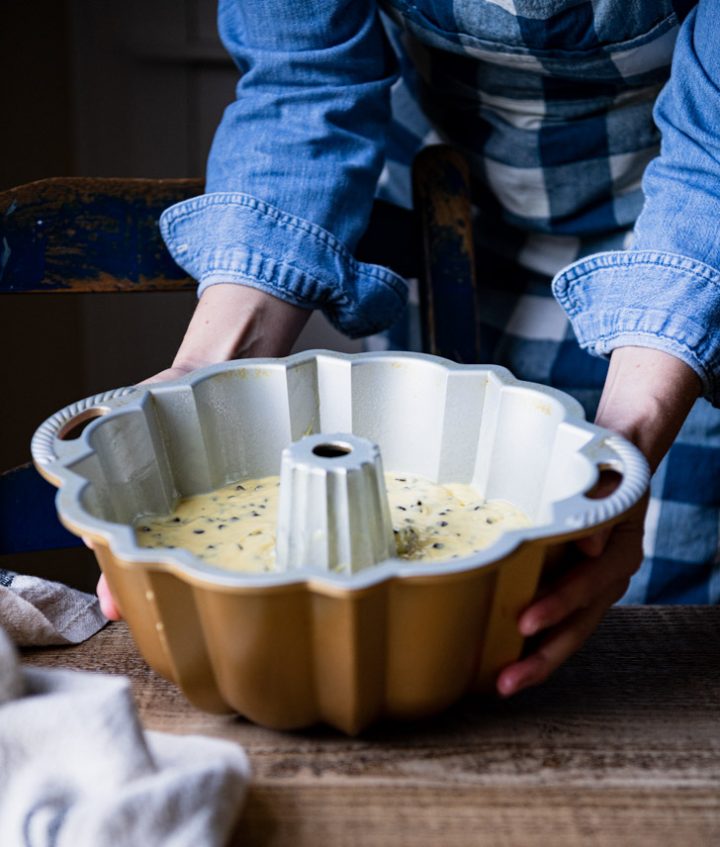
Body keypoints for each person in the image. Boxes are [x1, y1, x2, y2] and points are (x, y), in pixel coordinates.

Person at [98, 1, 719, 697]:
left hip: (683, 246)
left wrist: (627, 442)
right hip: (444, 199)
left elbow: (713, 160)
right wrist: (202, 376)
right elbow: (302, 83)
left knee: (646, 633)